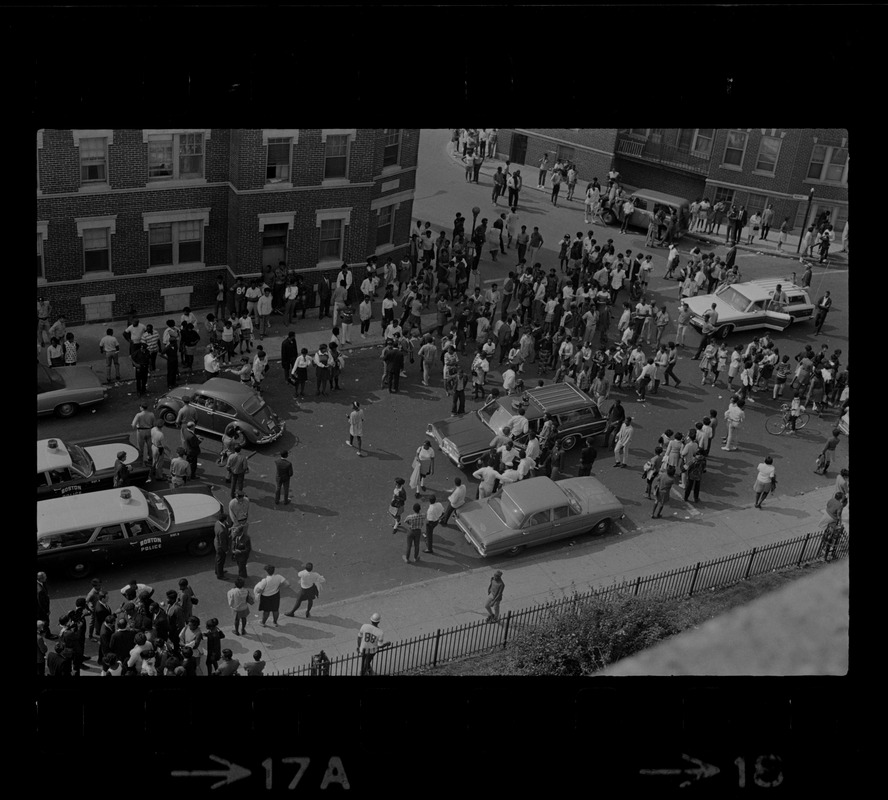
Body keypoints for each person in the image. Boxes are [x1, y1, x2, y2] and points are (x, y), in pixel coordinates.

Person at [357, 612, 390, 676]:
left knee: (365, 661)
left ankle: (368, 670)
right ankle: (364, 672)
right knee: (367, 662)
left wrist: (359, 647)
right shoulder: (380, 632)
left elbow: (359, 637)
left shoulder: (364, 626)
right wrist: (387, 644)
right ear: (378, 622)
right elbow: (380, 645)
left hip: (363, 648)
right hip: (372, 650)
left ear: (371, 620)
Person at [213, 513, 230, 580]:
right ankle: (220, 575)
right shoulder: (222, 531)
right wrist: (226, 550)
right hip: (221, 547)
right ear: (224, 520)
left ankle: (217, 571)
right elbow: (222, 542)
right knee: (221, 561)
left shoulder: (217, 523)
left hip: (216, 543)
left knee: (218, 559)